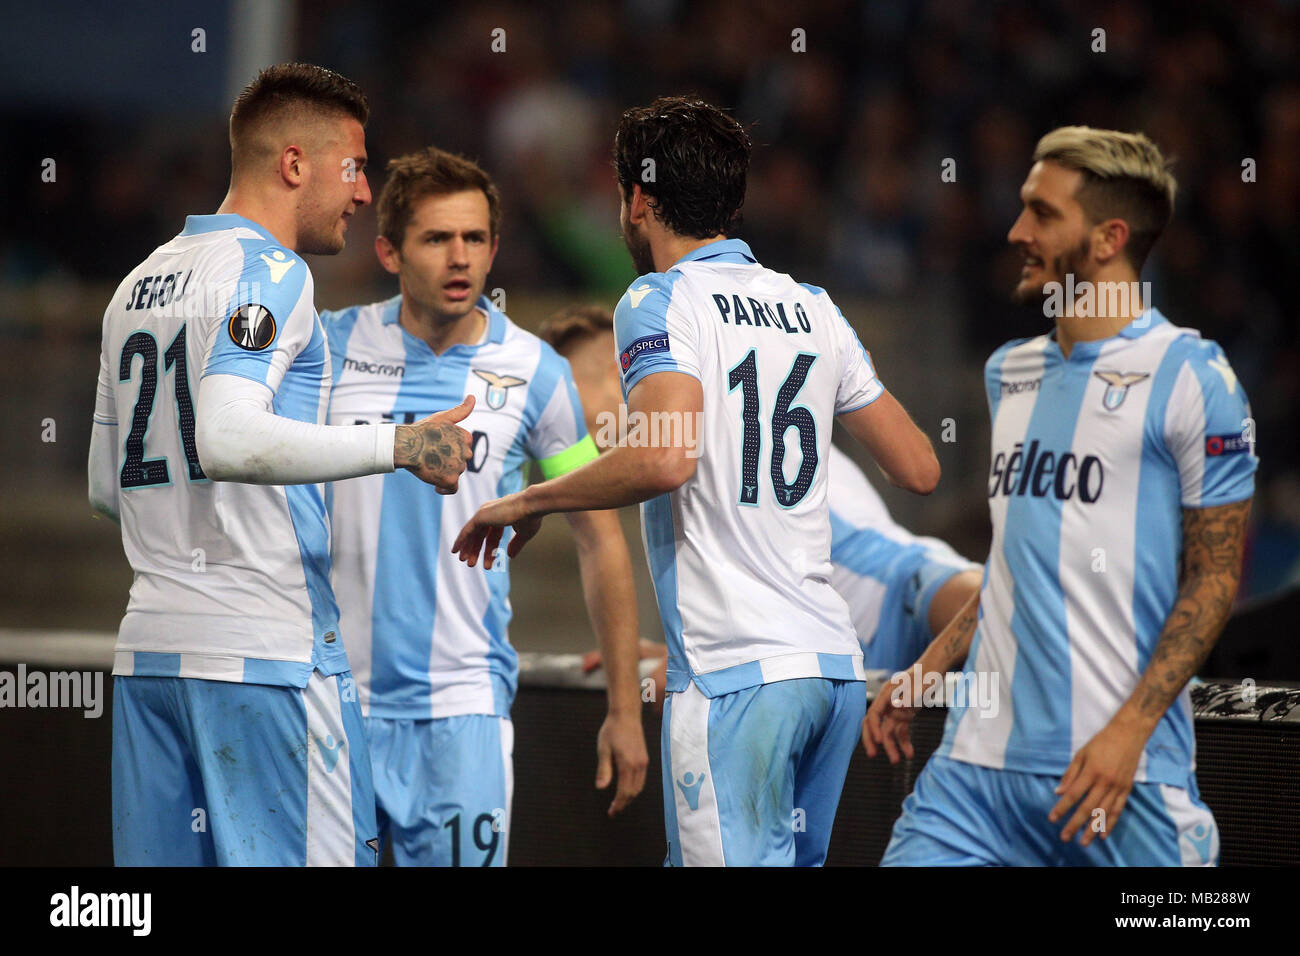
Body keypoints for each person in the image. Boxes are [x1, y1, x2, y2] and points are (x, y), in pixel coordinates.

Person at [454, 96, 939, 866]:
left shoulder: (657, 297)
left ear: (638, 200)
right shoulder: (813, 306)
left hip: (735, 673)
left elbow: (665, 456)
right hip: (833, 670)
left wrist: (527, 498)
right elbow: (920, 467)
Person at [88, 64, 473, 866]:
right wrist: (398, 444)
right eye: (355, 167)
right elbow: (227, 438)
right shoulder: (271, 273)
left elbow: (103, 485)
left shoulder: (135, 283)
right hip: (262, 660)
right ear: (295, 164)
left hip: (150, 659)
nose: (364, 193)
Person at [866, 126, 1258, 866]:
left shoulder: (1194, 378)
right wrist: (929, 668)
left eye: (1042, 214)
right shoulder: (1008, 372)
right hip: (973, 779)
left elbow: (1214, 579)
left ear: (1109, 238)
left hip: (1117, 777)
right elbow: (1017, 564)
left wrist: (1128, 734)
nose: (1017, 232)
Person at [321, 147, 647, 866]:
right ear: (388, 250)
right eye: (436, 239)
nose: (458, 257)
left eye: (474, 238)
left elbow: (602, 540)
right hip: (330, 705)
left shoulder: (535, 370)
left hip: (462, 707)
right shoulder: (329, 349)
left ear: (496, 249)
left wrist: (624, 711)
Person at [540, 306, 982, 716]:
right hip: (831, 663)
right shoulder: (676, 458)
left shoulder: (710, 423)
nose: (562, 434)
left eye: (566, 402)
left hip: (898, 609)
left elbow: (967, 588)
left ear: (623, 369)